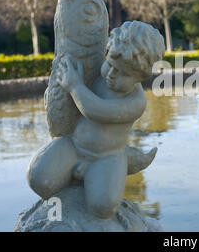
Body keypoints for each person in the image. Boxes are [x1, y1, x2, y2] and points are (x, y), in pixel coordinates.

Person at [27, 21, 165, 219]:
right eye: (110, 64)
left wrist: (75, 86)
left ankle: (118, 166)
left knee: (103, 207)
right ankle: (65, 203)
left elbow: (96, 110)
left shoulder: (136, 101)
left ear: (141, 77)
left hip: (106, 156)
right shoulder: (97, 75)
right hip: (74, 146)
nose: (111, 74)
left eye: (123, 73)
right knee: (39, 179)